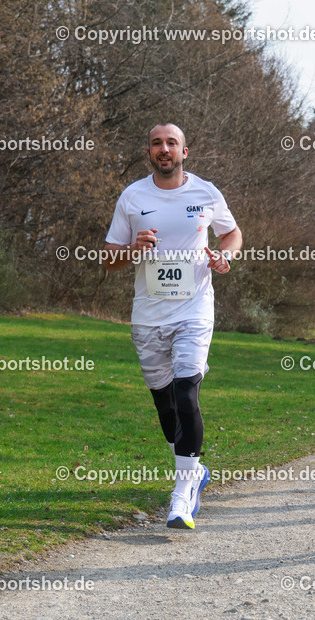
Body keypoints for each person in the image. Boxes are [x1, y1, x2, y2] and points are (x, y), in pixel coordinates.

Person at [103, 123, 243, 529]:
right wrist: (132, 249)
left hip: (194, 310)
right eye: (156, 143)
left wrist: (225, 256)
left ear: (185, 151)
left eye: (171, 143)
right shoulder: (133, 197)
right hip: (148, 315)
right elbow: (109, 259)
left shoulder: (206, 193)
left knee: (186, 390)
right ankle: (194, 470)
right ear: (149, 152)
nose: (164, 149)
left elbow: (232, 233)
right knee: (165, 404)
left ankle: (182, 494)